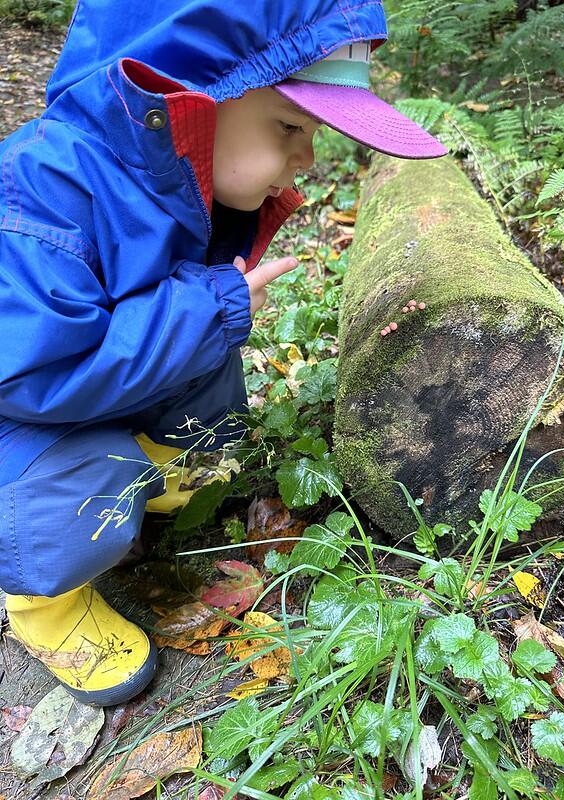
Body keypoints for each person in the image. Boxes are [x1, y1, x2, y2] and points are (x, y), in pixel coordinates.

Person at [0, 0, 446, 707]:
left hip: (95, 402)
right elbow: (32, 374)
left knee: (206, 345)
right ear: (192, 98)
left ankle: (142, 477)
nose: (305, 159)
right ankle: (41, 600)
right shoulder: (45, 189)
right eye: (291, 126)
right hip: (19, 428)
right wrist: (210, 309)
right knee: (67, 492)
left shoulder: (178, 179)